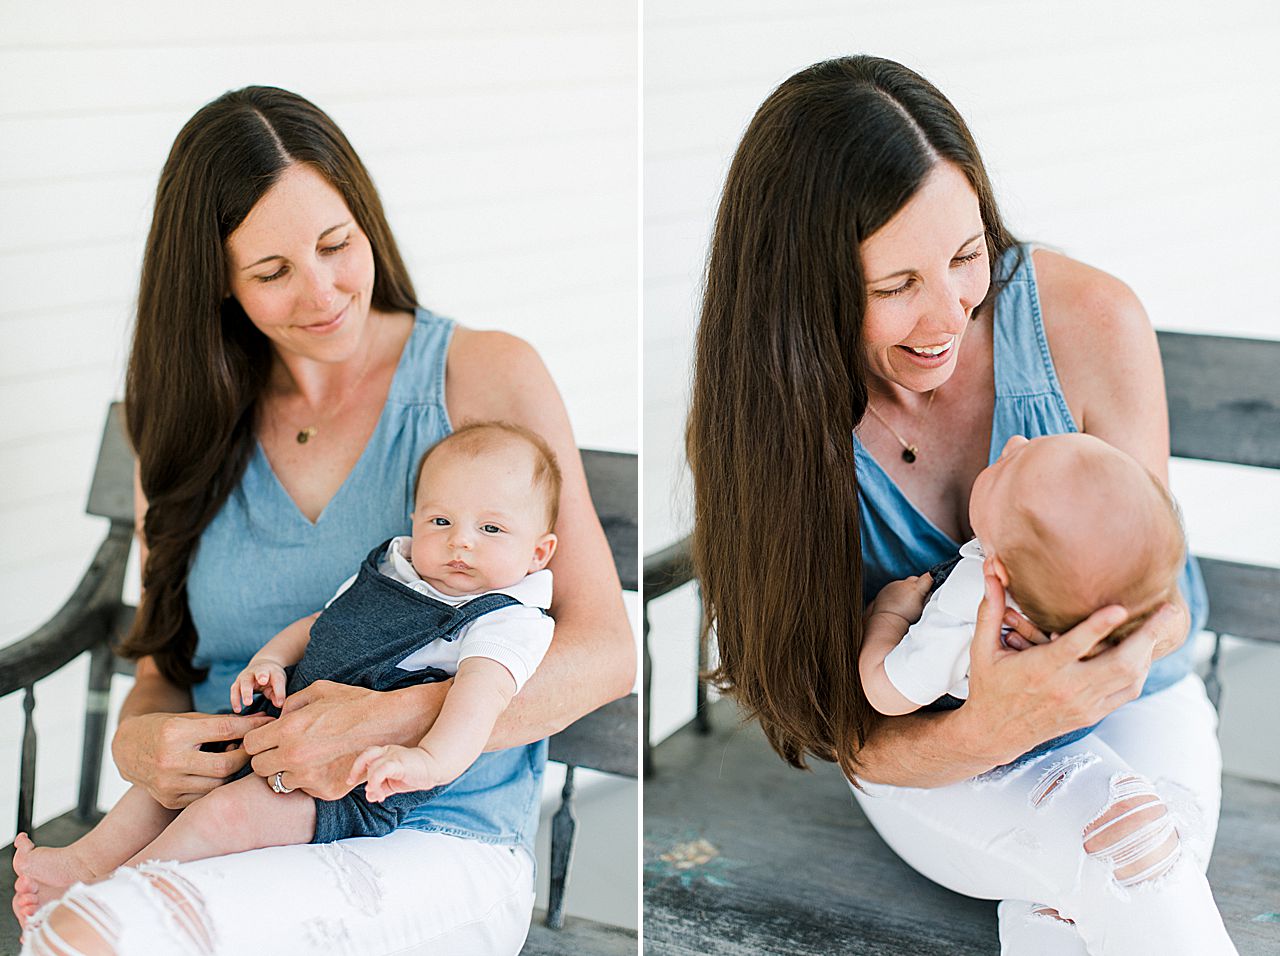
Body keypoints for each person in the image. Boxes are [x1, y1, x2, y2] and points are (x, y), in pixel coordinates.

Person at [16, 86, 633, 956]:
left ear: (365, 221)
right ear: (218, 286)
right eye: (271, 273)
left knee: (96, 936)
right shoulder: (180, 419)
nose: (325, 292)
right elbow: (166, 662)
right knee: (99, 928)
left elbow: (605, 651)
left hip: (426, 831)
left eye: (338, 244)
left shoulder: (482, 374)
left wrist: (392, 721)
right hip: (212, 818)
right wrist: (142, 739)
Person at [686, 56, 1237, 953]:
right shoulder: (773, 422)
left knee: (1119, 870)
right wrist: (993, 724)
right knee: (1130, 854)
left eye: (966, 255)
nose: (947, 315)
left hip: (1134, 699)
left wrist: (1091, 667)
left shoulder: (1091, 320)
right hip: (932, 756)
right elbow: (847, 725)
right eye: (895, 286)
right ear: (803, 292)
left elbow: (1159, 600)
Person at [13, 421, 562, 910]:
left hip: (350, 785)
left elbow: (479, 700)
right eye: (441, 520)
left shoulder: (506, 620)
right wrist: (271, 659)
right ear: (415, 520)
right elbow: (321, 623)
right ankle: (87, 863)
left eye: (491, 530)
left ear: (538, 553)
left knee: (227, 814)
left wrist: (429, 763)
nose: (459, 541)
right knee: (179, 783)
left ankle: (122, 892)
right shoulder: (392, 568)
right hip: (280, 729)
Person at [861, 432, 1185, 721]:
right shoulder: (1070, 594)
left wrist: (891, 613)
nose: (1015, 440)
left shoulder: (966, 608)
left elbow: (886, 694)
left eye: (1006, 466)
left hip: (985, 761)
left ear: (998, 571)